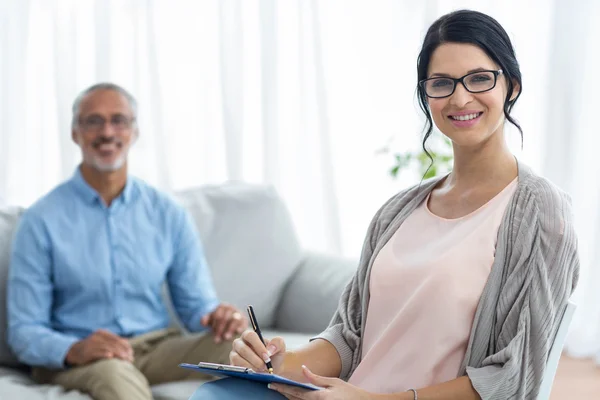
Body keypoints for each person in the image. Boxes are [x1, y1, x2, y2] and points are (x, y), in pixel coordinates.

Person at [229, 9, 580, 400]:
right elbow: (349, 336)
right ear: (426, 95)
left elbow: (516, 378)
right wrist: (274, 362)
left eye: (480, 78)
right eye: (442, 83)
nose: (460, 97)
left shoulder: (540, 211)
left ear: (511, 86)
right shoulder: (397, 212)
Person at [7, 83, 248, 400]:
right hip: (84, 357)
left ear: (133, 132)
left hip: (155, 348)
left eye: (118, 120)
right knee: (115, 374)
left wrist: (217, 317)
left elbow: (196, 308)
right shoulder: (40, 220)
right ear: (75, 133)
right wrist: (77, 348)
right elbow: (24, 331)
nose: (107, 131)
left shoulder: (167, 213)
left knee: (244, 346)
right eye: (94, 121)